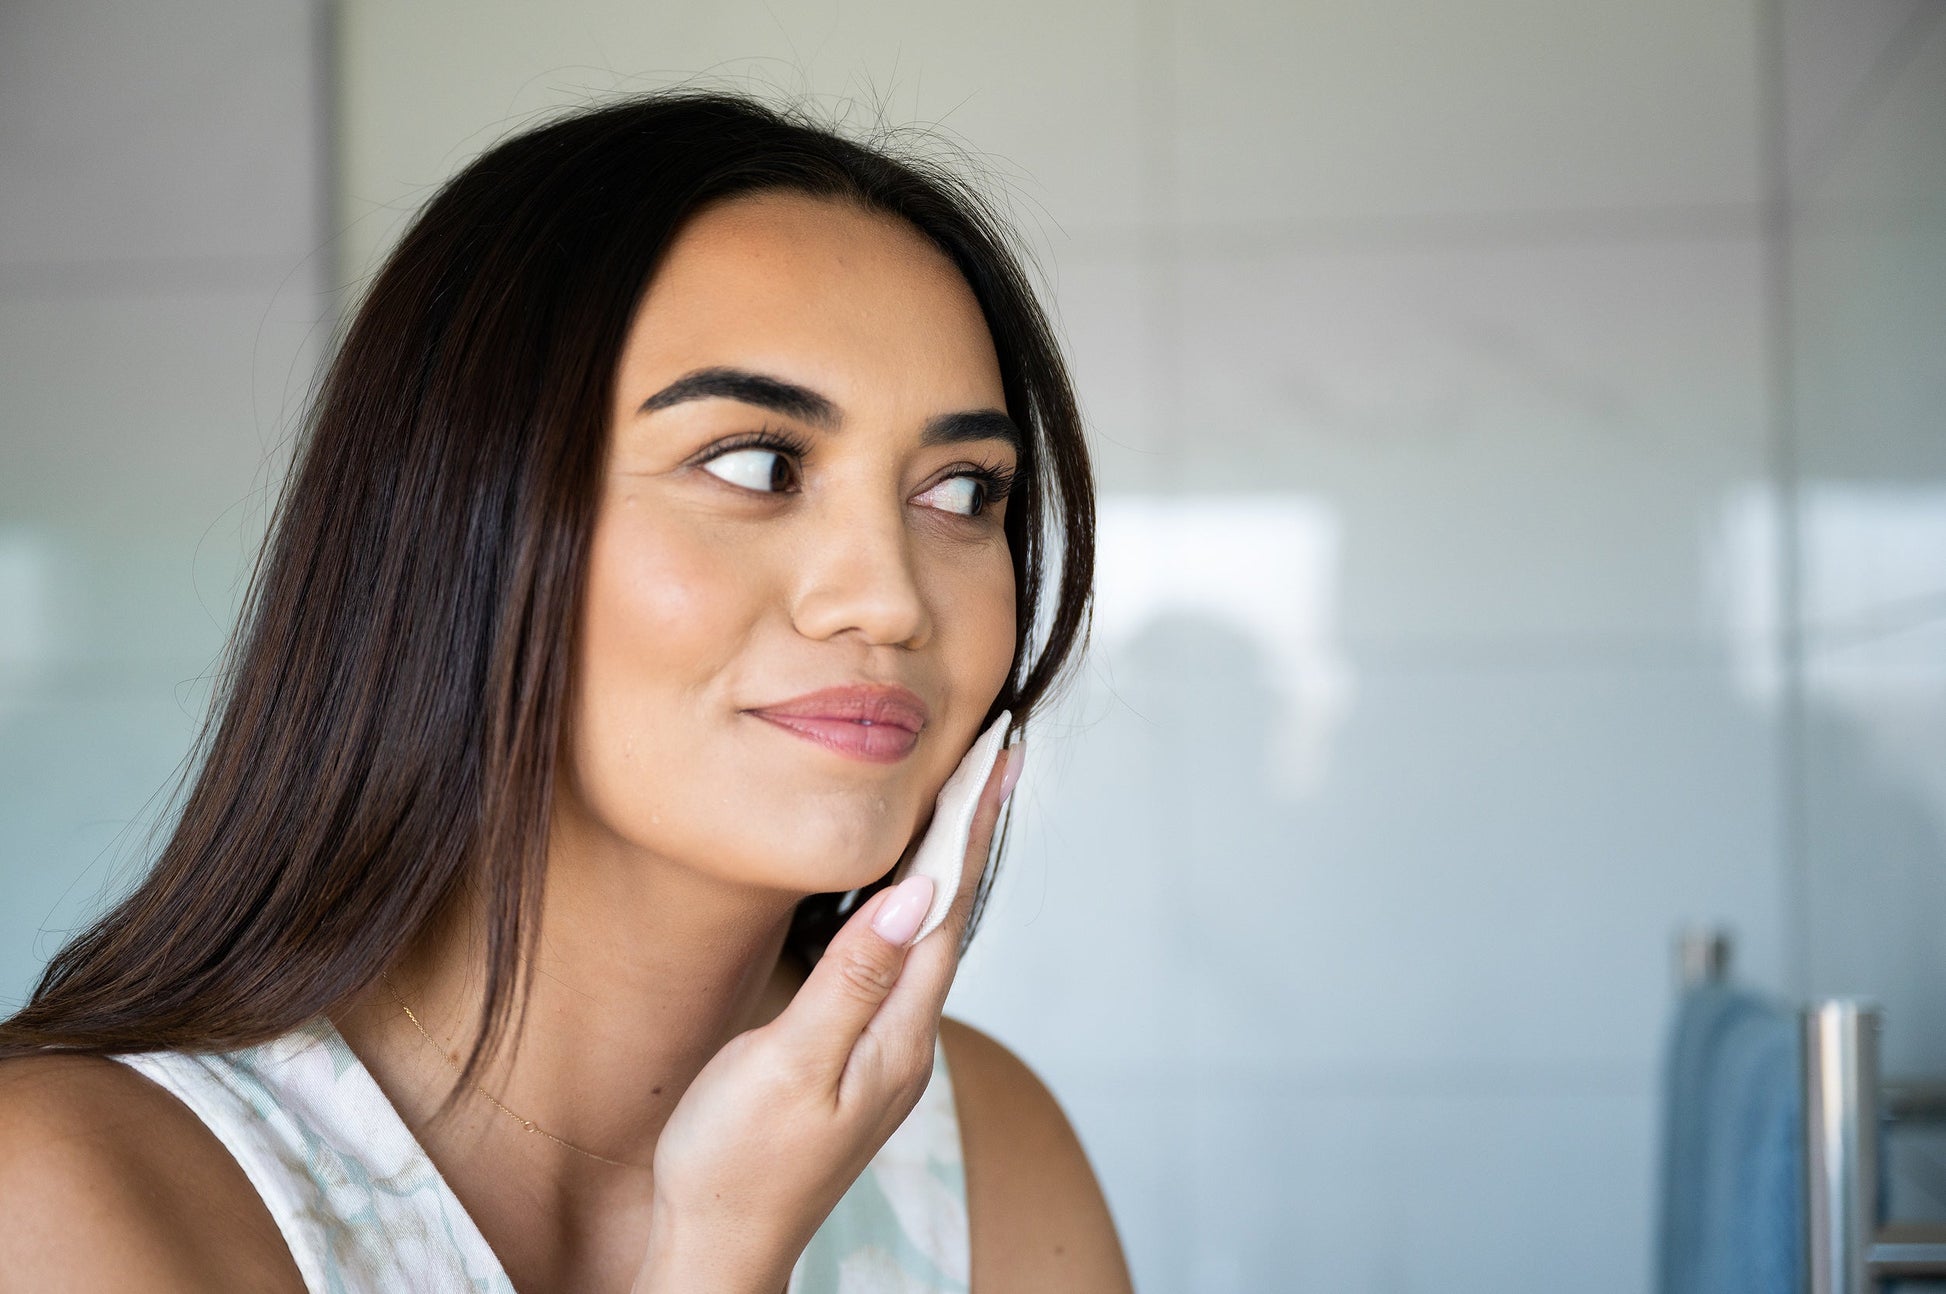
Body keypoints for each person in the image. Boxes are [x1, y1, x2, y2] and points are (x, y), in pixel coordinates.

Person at [0, 90, 1130, 1293]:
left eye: (962, 491)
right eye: (758, 465)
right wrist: (720, 1253)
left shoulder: (980, 1149)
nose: (889, 600)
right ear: (461, 520)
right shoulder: (62, 1189)